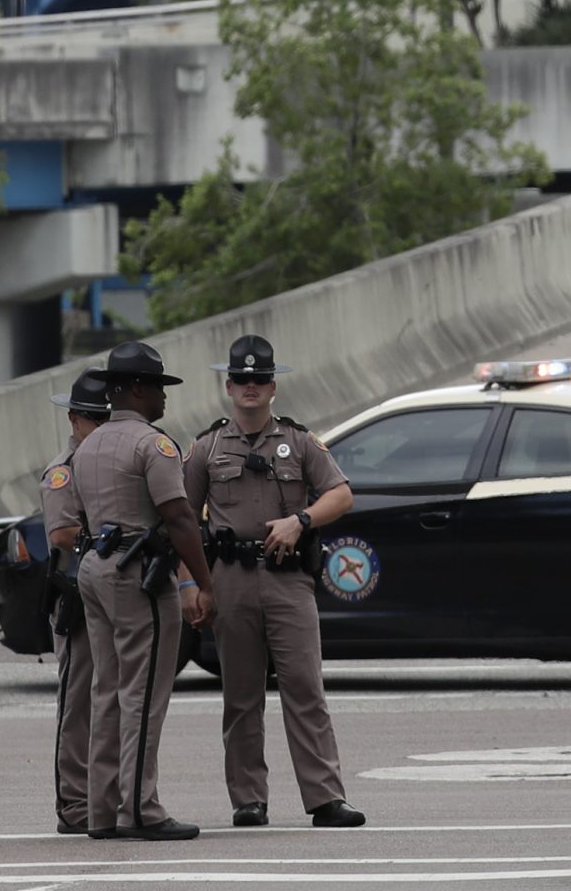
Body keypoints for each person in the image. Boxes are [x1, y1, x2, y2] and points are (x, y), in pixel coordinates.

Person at [185, 334, 366, 830]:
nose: (250, 386)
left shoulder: (300, 441)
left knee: (305, 688)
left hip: (288, 580)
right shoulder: (206, 447)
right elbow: (178, 517)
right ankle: (248, 799)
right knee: (241, 696)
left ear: (273, 386)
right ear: (228, 385)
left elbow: (341, 495)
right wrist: (190, 584)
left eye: (259, 378)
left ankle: (326, 797)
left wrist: (301, 521)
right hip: (230, 579)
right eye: (241, 378)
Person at [75, 341, 213, 842]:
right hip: (137, 572)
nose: (163, 397)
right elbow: (178, 516)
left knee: (107, 690)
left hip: (94, 566)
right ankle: (140, 809)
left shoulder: (87, 446)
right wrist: (202, 580)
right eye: (158, 386)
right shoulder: (153, 445)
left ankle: (102, 811)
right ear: (135, 388)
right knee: (143, 693)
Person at [40, 368, 112, 836]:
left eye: (104, 418)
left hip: (115, 590)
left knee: (117, 697)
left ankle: (109, 795)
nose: (97, 428)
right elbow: (63, 533)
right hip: (76, 592)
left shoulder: (117, 461)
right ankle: (74, 802)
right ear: (73, 420)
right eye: (90, 419)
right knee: (79, 698)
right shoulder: (63, 470)